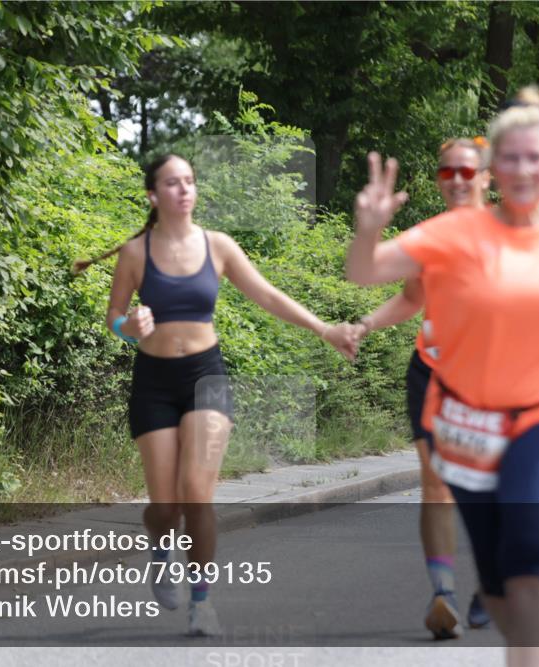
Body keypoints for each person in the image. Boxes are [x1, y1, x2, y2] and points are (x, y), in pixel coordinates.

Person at [345, 86, 539, 666]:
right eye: (511, 157)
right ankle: (485, 596)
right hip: (467, 420)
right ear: (497, 165)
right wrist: (368, 228)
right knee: (498, 583)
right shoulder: (452, 234)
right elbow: (364, 271)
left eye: (535, 157)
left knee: (529, 564)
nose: (523, 169)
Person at [73, 154, 359, 636]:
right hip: (154, 382)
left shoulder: (218, 246)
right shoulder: (135, 253)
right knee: (165, 506)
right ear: (153, 195)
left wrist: (323, 328)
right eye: (171, 182)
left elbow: (266, 294)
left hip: (206, 376)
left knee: (198, 496)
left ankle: (202, 602)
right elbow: (114, 319)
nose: (184, 189)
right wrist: (130, 326)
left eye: (189, 181)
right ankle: (161, 549)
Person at [355, 137, 492, 639]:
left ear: (486, 177)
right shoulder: (427, 237)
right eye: (447, 172)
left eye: (467, 171)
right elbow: (412, 297)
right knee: (435, 484)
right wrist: (364, 325)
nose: (456, 179)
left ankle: (496, 577)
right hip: (432, 371)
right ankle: (443, 594)